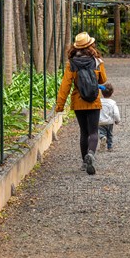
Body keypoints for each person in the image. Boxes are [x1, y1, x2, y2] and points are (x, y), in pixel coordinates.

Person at [55, 32, 107, 175]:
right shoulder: (97, 61)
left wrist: (60, 105)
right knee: (93, 132)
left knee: (83, 132)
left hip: (78, 102)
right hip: (93, 101)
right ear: (90, 45)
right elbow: (103, 80)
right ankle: (91, 153)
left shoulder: (71, 63)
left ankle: (84, 162)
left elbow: (65, 85)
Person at [98, 82, 120, 151]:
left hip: (100, 121)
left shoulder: (99, 101)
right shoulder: (113, 102)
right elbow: (116, 113)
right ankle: (109, 147)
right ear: (111, 93)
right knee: (110, 134)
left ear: (102, 92)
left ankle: (102, 137)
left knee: (100, 132)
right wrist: (117, 120)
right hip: (110, 122)